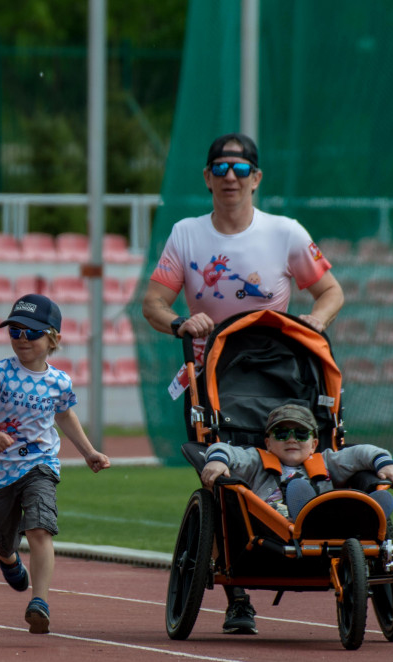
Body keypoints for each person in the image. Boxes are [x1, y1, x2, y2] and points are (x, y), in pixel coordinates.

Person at [142, 132, 345, 634]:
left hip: (276, 373)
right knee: (220, 473)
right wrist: (180, 323)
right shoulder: (186, 234)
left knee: (288, 460)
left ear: (256, 177)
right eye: (220, 168)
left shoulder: (286, 233)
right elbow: (153, 302)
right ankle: (237, 595)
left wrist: (314, 323)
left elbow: (330, 291)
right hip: (208, 377)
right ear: (207, 178)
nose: (229, 177)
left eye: (239, 168)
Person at [0, 294, 111, 634]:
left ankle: (39, 602)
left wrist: (89, 452)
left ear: (53, 338)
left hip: (40, 464)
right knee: (1, 541)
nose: (22, 339)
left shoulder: (59, 382)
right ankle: (9, 560)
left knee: (40, 527)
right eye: (15, 332)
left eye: (31, 333)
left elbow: (65, 415)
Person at [200, 402, 393, 531]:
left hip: (328, 524)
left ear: (314, 444)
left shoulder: (326, 461)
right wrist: (218, 460)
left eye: (301, 434)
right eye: (281, 434)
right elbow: (225, 449)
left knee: (368, 498)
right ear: (268, 443)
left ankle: (366, 518)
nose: (291, 440)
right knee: (299, 487)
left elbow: (360, 453)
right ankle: (307, 518)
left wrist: (385, 463)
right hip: (275, 528)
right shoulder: (257, 460)